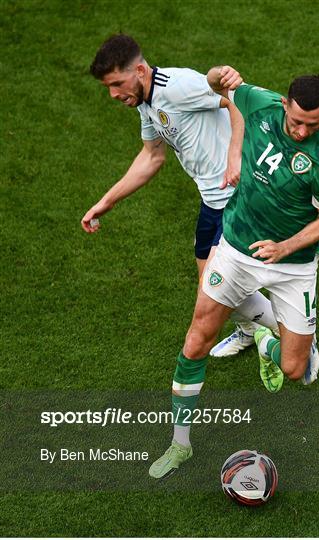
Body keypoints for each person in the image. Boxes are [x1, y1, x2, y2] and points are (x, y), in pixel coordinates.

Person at [149, 66, 319, 479]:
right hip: (237, 248)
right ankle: (180, 444)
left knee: (298, 371)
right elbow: (225, 89)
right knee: (196, 340)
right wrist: (234, 147)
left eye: (312, 124)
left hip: (293, 266)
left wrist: (286, 247)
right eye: (295, 121)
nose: (300, 131)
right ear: (284, 104)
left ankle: (266, 342)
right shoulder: (260, 101)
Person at [80, 34, 283, 356]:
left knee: (215, 286)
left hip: (238, 199)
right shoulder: (146, 103)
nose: (113, 94)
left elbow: (233, 99)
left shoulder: (177, 86)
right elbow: (151, 156)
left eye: (117, 83)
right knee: (213, 282)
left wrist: (234, 156)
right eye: (108, 86)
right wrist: (106, 203)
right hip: (212, 201)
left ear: (141, 71)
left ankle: (296, 337)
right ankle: (250, 329)